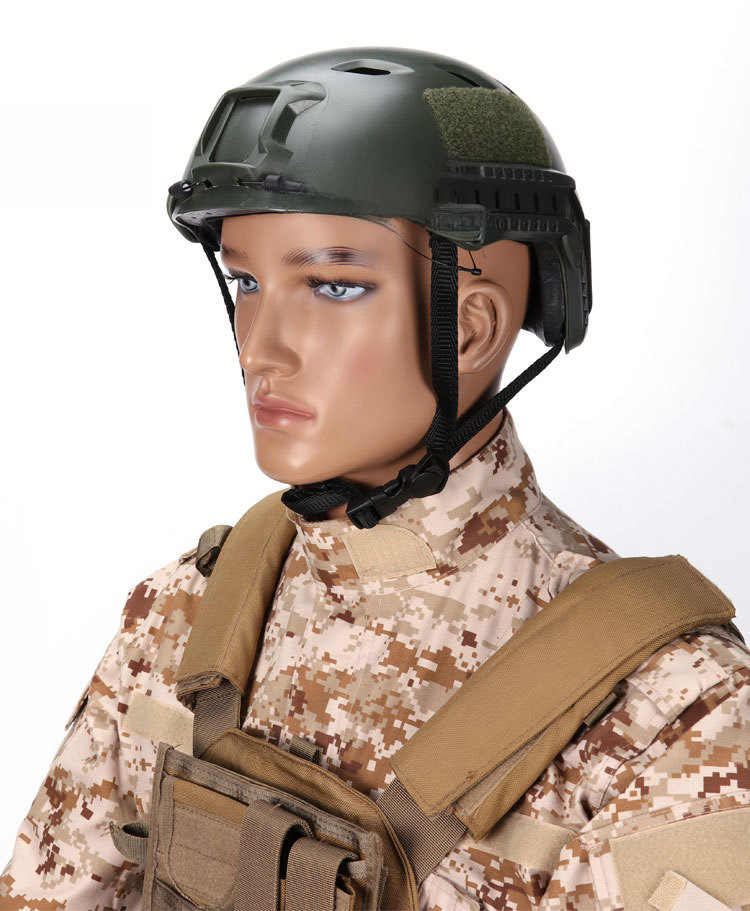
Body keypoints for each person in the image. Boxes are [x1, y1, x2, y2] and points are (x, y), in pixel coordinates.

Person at [2, 47, 749, 911]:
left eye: (332, 285)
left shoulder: (670, 715)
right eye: (246, 280)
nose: (261, 345)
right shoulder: (184, 617)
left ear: (471, 327)